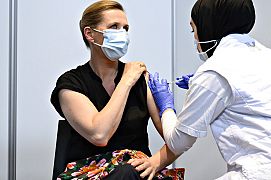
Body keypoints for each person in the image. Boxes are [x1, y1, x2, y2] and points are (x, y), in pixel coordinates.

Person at [146, 0, 271, 179]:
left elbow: (178, 142)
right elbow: (253, 96)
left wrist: (166, 105)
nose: (195, 39)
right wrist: (201, 85)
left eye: (194, 30)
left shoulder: (214, 70)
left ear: (208, 25)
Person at [50, 1, 180, 179]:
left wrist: (155, 161)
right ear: (90, 34)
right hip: (92, 174)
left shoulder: (141, 80)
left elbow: (178, 140)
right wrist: (126, 81)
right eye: (114, 27)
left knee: (129, 171)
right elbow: (99, 134)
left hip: (135, 174)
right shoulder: (71, 84)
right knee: (125, 172)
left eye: (125, 28)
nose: (123, 34)